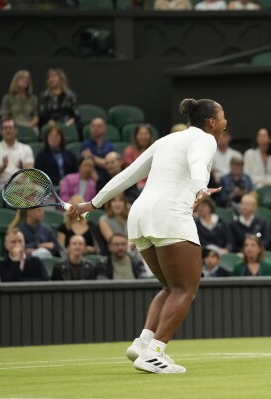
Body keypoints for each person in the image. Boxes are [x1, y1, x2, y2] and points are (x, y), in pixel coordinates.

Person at [69, 98, 226, 374]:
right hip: (169, 214)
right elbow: (198, 162)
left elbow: (128, 175)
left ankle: (143, 343)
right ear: (211, 122)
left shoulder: (166, 140)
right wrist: (202, 187)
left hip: (139, 215)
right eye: (223, 117)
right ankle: (155, 353)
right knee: (185, 289)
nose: (226, 122)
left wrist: (92, 203)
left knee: (170, 287)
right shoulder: (206, 139)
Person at [0, 118, 34, 190]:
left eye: (10, 128)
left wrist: (22, 168)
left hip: (25, 183)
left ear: (15, 130)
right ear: (1, 131)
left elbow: (31, 174)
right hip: (4, 185)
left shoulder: (26, 148)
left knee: (42, 191)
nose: (8, 130)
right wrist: (3, 167)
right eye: (5, 128)